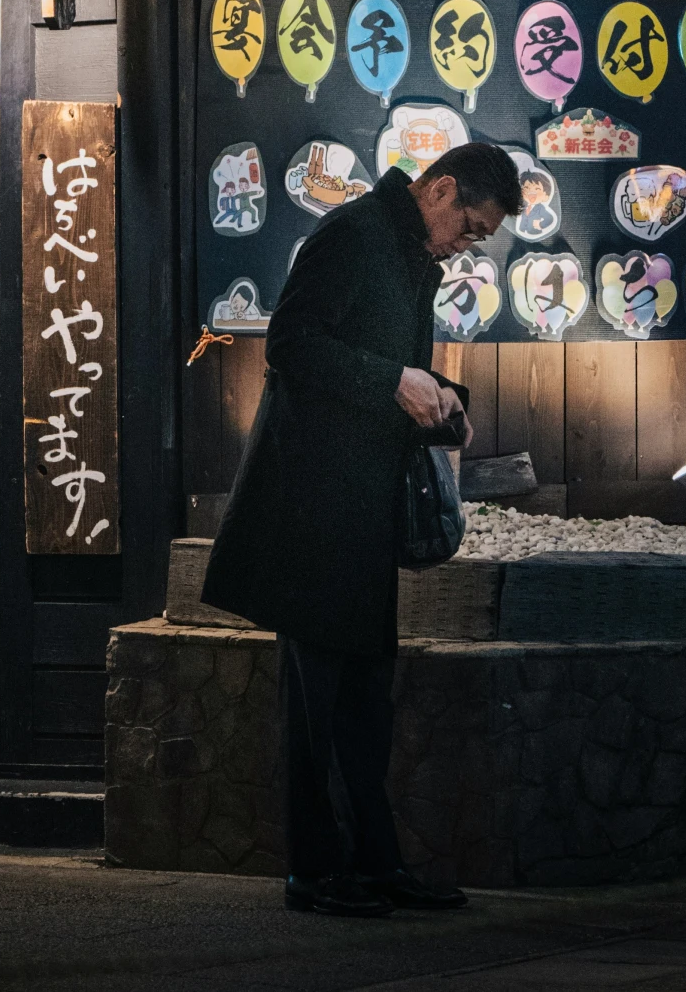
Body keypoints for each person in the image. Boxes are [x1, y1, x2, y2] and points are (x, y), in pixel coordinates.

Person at [201, 141, 522, 918]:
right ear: (439, 189)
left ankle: (377, 865)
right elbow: (290, 344)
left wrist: (443, 395)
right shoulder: (351, 234)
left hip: (360, 508)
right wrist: (394, 381)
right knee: (316, 706)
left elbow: (386, 365)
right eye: (470, 227)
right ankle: (314, 873)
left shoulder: (409, 254)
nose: (467, 243)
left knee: (364, 704)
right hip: (310, 507)